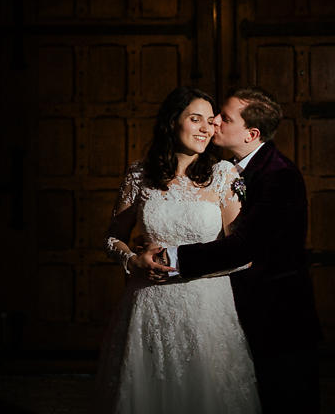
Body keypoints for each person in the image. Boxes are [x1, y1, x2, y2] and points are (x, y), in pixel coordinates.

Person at [139, 87, 321, 414]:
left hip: (276, 316)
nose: (214, 122)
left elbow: (244, 246)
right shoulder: (221, 168)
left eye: (225, 117)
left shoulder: (278, 174)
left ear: (251, 133)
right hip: (229, 307)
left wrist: (171, 256)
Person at [95, 86, 261, 414]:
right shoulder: (138, 175)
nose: (204, 128)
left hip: (206, 309)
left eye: (209, 121)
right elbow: (112, 237)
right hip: (148, 308)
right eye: (194, 119)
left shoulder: (224, 175)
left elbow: (243, 252)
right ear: (172, 123)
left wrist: (184, 263)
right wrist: (132, 260)